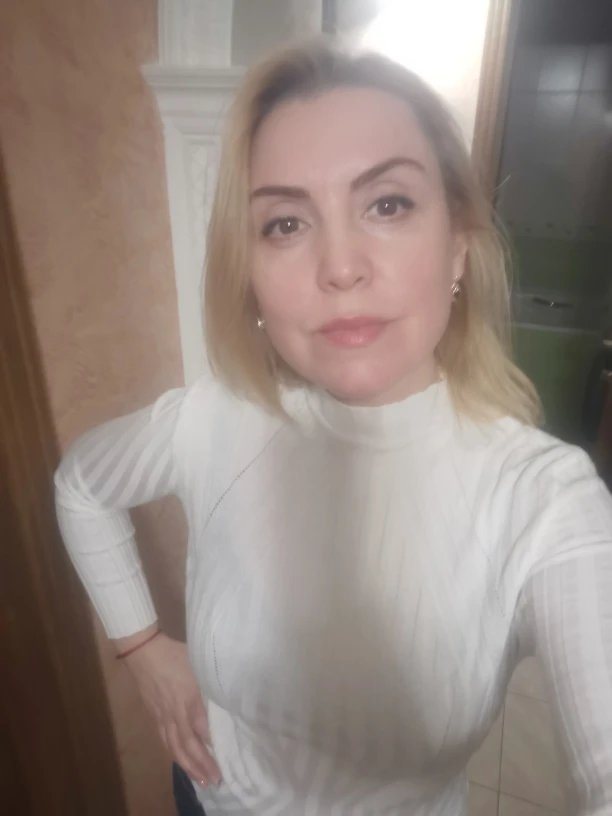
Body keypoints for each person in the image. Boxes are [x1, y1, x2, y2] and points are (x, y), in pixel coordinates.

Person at [54, 40, 612, 816]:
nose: (340, 267)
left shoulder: (546, 499)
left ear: (459, 244)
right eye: (285, 223)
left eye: (387, 205)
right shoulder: (218, 416)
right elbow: (81, 486)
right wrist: (142, 647)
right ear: (248, 271)